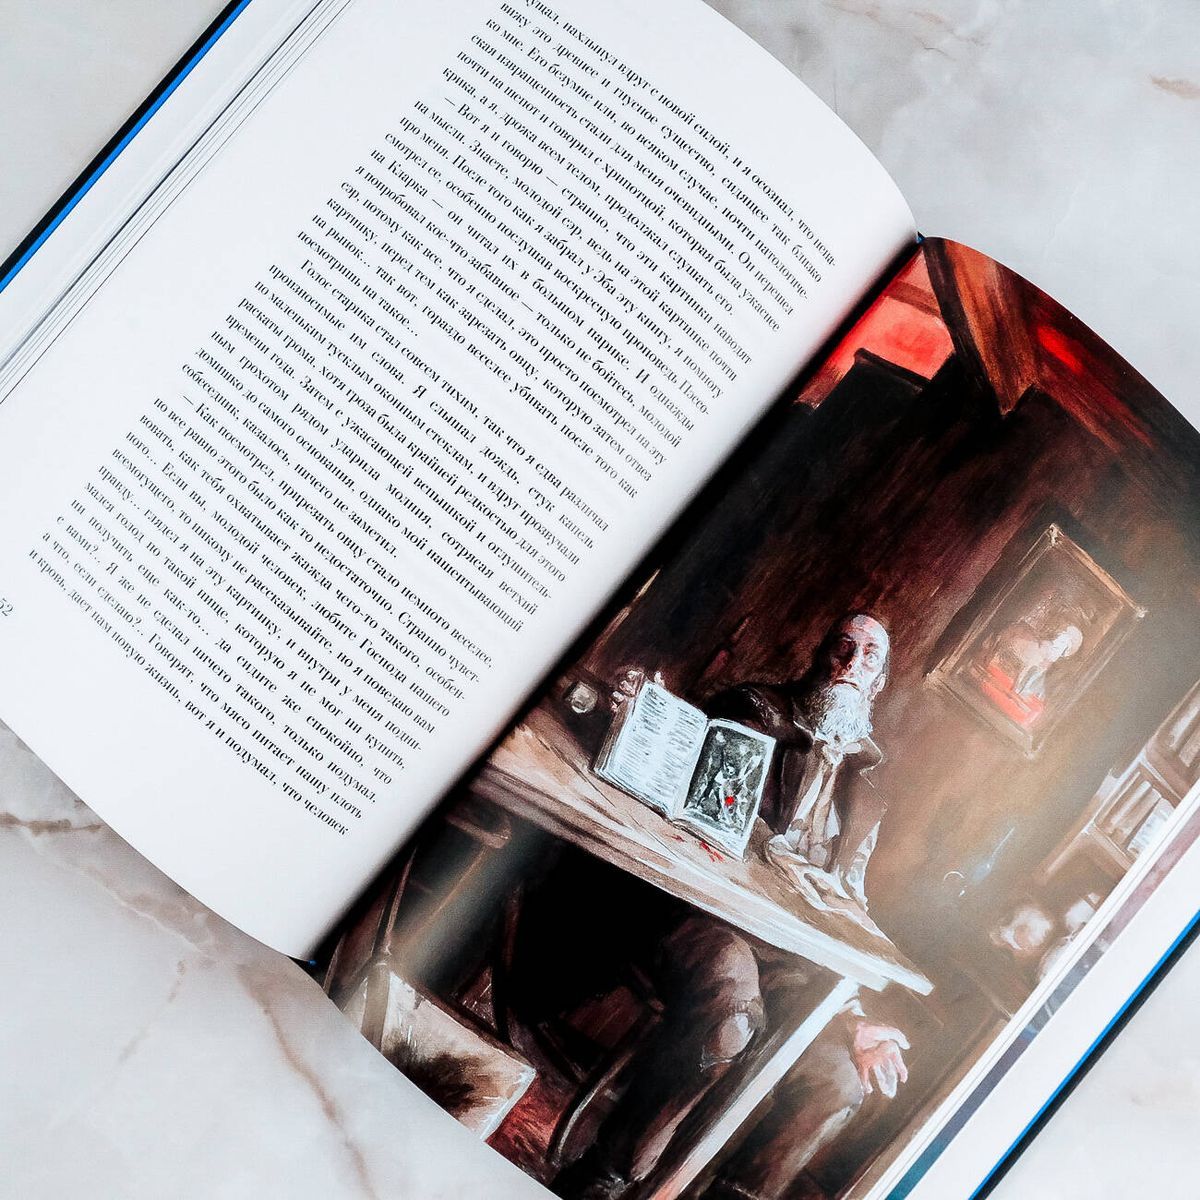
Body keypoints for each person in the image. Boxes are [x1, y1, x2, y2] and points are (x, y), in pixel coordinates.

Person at [560, 614, 910, 1200]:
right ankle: (605, 1179)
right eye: (842, 648)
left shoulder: (870, 787)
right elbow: (685, 788)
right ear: (820, 656)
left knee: (838, 1082)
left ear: (878, 683)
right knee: (731, 1014)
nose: (851, 665)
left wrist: (850, 1014)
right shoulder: (755, 712)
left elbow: (849, 903)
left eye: (869, 656)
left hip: (791, 961)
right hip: (706, 920)